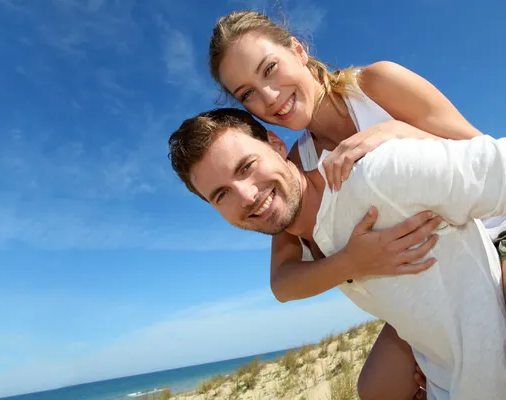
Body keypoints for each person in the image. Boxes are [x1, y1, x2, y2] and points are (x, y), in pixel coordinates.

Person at [206, 10, 506, 399]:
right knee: (376, 389)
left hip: (493, 233)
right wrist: (351, 263)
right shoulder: (296, 167)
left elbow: (478, 154)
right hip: (428, 280)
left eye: (270, 69)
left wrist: (396, 132)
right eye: (247, 93)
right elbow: (282, 281)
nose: (268, 97)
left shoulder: (376, 85)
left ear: (297, 50)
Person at [167, 107, 506, 400]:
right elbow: (283, 286)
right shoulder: (320, 245)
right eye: (221, 194)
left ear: (276, 144)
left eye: (246, 166)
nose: (246, 196)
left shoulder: (374, 175)